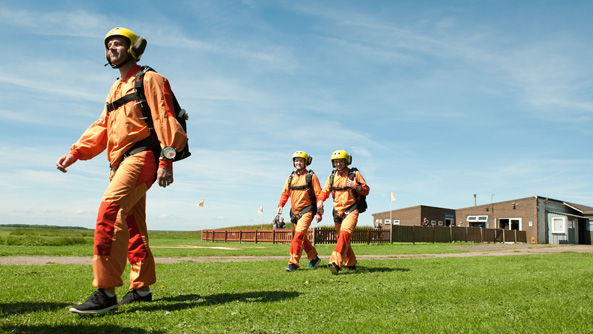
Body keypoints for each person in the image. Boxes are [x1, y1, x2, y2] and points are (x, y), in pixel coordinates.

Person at [56, 27, 187, 314]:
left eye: (119, 44)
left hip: (141, 157)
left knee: (110, 211)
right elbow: (102, 127)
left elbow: (166, 119)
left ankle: (105, 292)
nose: (112, 48)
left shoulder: (150, 79)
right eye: (109, 45)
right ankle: (141, 290)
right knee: (133, 226)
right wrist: (75, 153)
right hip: (117, 164)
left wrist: (167, 161)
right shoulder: (116, 88)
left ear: (134, 48)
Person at [317, 150, 370, 275]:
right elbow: (325, 191)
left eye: (341, 161)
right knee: (341, 238)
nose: (338, 164)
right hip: (337, 211)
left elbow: (366, 190)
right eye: (336, 162)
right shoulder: (331, 177)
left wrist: (355, 185)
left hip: (352, 209)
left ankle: (335, 262)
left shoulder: (354, 174)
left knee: (345, 235)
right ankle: (351, 262)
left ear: (346, 161)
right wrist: (320, 200)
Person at [277, 151, 323, 272]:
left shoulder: (311, 176)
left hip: (307, 210)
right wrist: (281, 205)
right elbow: (285, 193)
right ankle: (314, 258)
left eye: (301, 160)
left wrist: (319, 212)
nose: (298, 163)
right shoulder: (290, 177)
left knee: (298, 236)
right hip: (294, 212)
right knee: (302, 237)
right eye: (296, 160)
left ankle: (293, 263)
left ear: (306, 162)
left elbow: (319, 194)